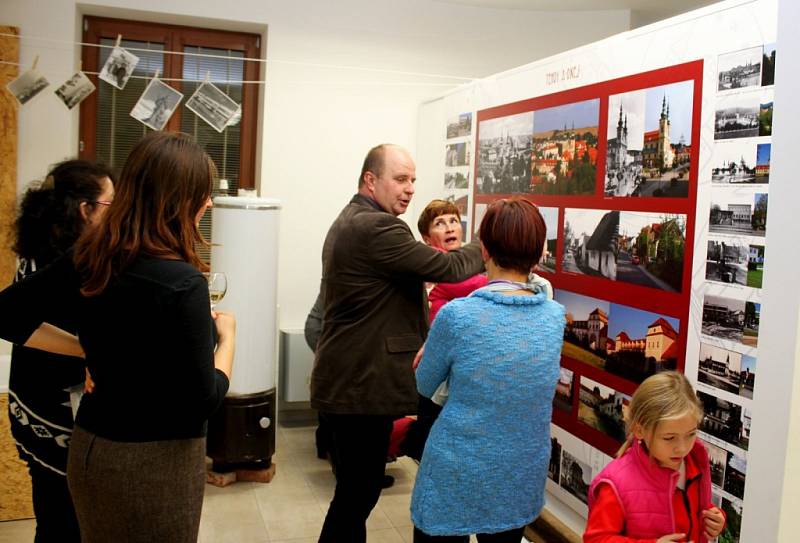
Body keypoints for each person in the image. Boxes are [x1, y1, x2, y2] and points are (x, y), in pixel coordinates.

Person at [0, 132, 235, 543]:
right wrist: (227, 340)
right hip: (154, 464)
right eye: (203, 193)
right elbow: (204, 400)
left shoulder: (90, 255)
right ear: (177, 200)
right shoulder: (182, 283)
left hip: (91, 451)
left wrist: (89, 350)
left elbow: (4, 315)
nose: (209, 203)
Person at [311, 143, 484, 543]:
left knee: (357, 491)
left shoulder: (355, 218)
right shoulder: (376, 227)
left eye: (413, 181)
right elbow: (448, 265)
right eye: (400, 179)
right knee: (358, 493)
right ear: (371, 180)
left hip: (350, 381)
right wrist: (487, 243)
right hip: (359, 386)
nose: (409, 189)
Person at [410, 197, 566, 542]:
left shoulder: (457, 316)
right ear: (539, 252)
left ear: (483, 250)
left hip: (457, 469)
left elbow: (423, 386)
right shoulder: (554, 317)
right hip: (520, 472)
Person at [7, 160, 114, 543]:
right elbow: (10, 320)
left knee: (54, 516)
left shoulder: (45, 245)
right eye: (109, 205)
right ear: (85, 209)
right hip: (51, 410)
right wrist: (88, 350)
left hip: (31, 403)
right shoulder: (66, 261)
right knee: (62, 523)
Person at [584, 371, 726, 543]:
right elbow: (596, 539)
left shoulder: (695, 461)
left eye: (690, 434)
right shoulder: (616, 483)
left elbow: (694, 511)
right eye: (669, 438)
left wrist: (715, 520)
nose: (682, 449)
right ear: (640, 430)